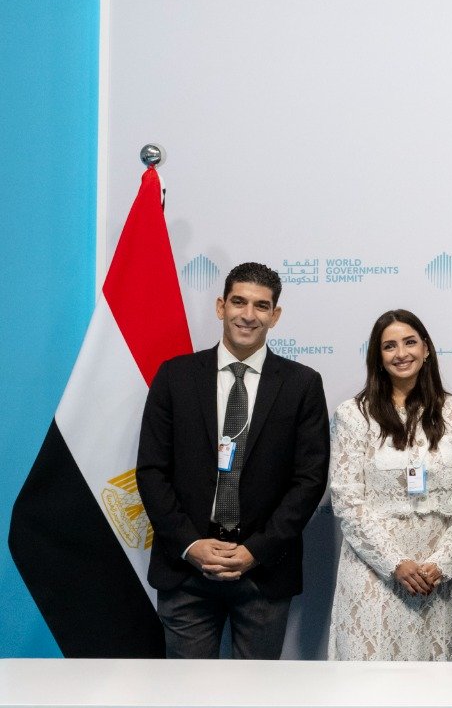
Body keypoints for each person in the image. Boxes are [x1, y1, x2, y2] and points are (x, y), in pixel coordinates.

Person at [135, 261, 330, 659]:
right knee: (188, 690)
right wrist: (190, 544)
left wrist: (255, 550)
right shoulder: (174, 377)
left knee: (256, 691)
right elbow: (152, 471)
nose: (248, 315)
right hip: (185, 571)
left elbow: (309, 480)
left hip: (264, 572)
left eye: (262, 306)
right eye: (239, 302)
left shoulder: (302, 384)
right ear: (220, 306)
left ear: (275, 315)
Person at [328, 309, 452, 660]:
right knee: (369, 679)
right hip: (373, 574)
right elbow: (346, 499)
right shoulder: (354, 414)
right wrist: (395, 563)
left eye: (410, 342)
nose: (401, 353)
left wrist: (442, 561)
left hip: (435, 578)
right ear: (378, 357)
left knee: (433, 680)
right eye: (389, 346)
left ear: (426, 349)